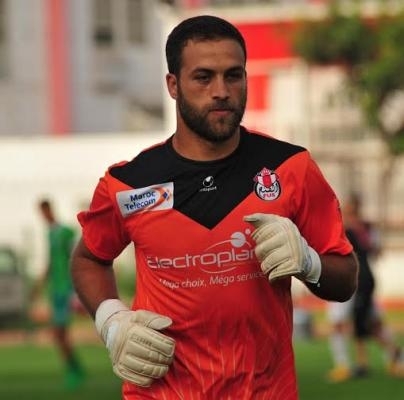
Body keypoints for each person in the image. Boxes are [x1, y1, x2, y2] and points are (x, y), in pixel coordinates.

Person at [70, 15, 358, 399]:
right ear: (173, 85)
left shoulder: (290, 168)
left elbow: (346, 278)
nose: (221, 91)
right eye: (203, 78)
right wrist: (111, 321)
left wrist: (310, 262)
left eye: (233, 76)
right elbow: (89, 259)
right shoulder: (129, 184)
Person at [344, 194, 404, 379]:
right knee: (369, 321)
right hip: (365, 278)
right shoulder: (364, 228)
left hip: (361, 279)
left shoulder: (352, 229)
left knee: (360, 321)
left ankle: (365, 363)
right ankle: (393, 352)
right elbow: (375, 250)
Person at [33, 199, 85, 390]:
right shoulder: (50, 234)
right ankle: (74, 369)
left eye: (44, 211)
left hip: (66, 289)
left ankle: (74, 371)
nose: (43, 216)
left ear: (50, 210)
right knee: (58, 334)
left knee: (59, 333)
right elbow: (50, 261)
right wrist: (39, 285)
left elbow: (75, 257)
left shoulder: (66, 232)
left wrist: (77, 288)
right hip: (55, 290)